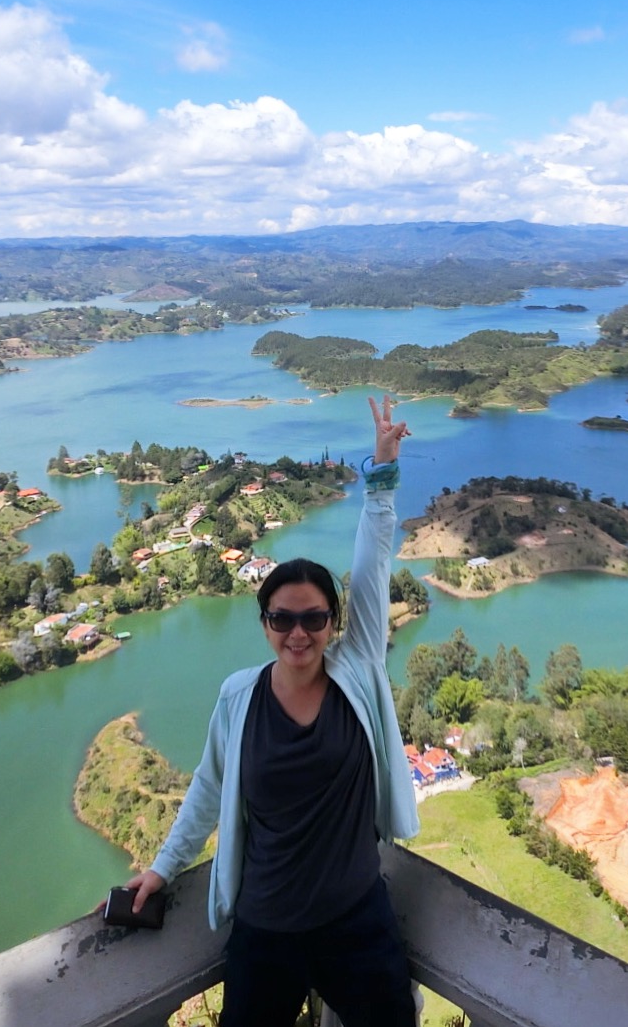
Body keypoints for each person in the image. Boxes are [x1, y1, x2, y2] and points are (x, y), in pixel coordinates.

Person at [121, 395, 420, 1027]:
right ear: (264, 623)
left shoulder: (357, 671)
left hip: (356, 921)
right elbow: (209, 787)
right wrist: (162, 867)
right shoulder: (239, 697)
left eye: (314, 618)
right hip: (266, 931)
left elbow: (371, 567)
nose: (299, 632)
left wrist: (382, 474)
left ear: (334, 623)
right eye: (282, 618)